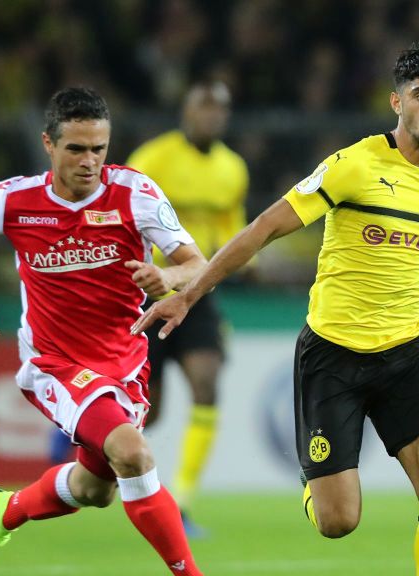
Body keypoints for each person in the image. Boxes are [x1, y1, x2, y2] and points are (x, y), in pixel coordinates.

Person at [134, 40, 419, 576]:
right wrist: (189, 293)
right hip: (333, 355)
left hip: (406, 354)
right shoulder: (352, 166)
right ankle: (317, 480)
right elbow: (263, 228)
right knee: (338, 521)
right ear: (396, 102)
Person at [0, 87, 206, 576]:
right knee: (133, 453)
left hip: (125, 361)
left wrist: (169, 278)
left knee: (95, 490)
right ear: (49, 144)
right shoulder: (16, 200)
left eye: (99, 149)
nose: (90, 162)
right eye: (76, 149)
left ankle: (3, 512)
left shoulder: (136, 194)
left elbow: (197, 264)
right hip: (55, 363)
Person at [125, 81, 249, 535]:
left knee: (207, 382)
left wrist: (239, 265)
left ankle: (182, 499)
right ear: (187, 111)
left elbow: (229, 229)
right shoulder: (153, 159)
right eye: (204, 108)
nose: (213, 117)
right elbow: (122, 215)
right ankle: (80, 445)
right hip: (146, 293)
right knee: (149, 411)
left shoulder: (232, 169)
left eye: (220, 110)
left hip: (198, 292)